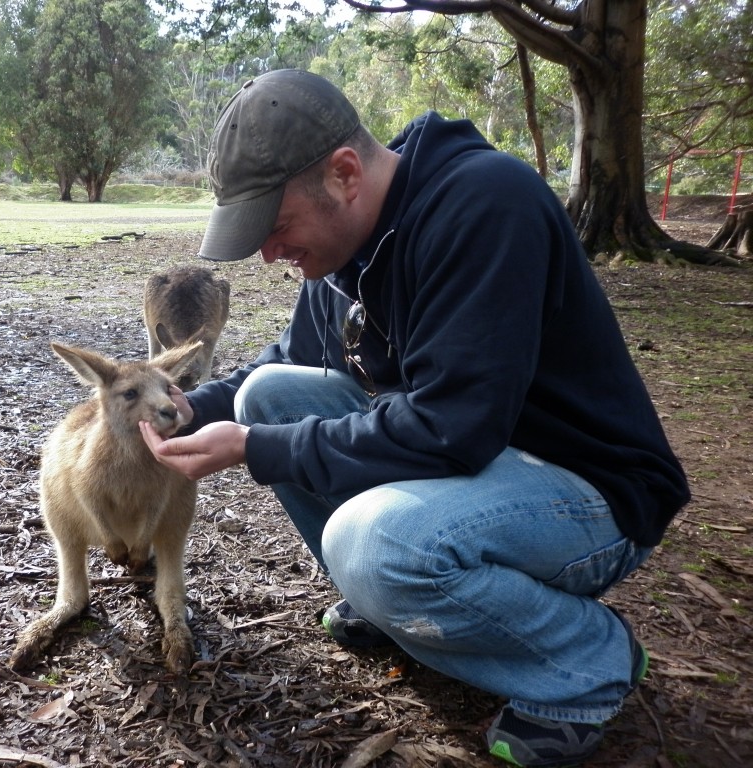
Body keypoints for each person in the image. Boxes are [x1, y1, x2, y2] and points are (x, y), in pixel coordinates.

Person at [139, 69, 690, 767]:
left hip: (585, 488)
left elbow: (448, 428)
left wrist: (254, 447)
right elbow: (281, 369)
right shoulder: (343, 252)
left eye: (276, 227)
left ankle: (585, 661)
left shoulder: (486, 204)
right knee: (268, 395)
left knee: (376, 546)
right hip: (481, 465)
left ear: (344, 175)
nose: (269, 254)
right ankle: (391, 607)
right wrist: (180, 409)